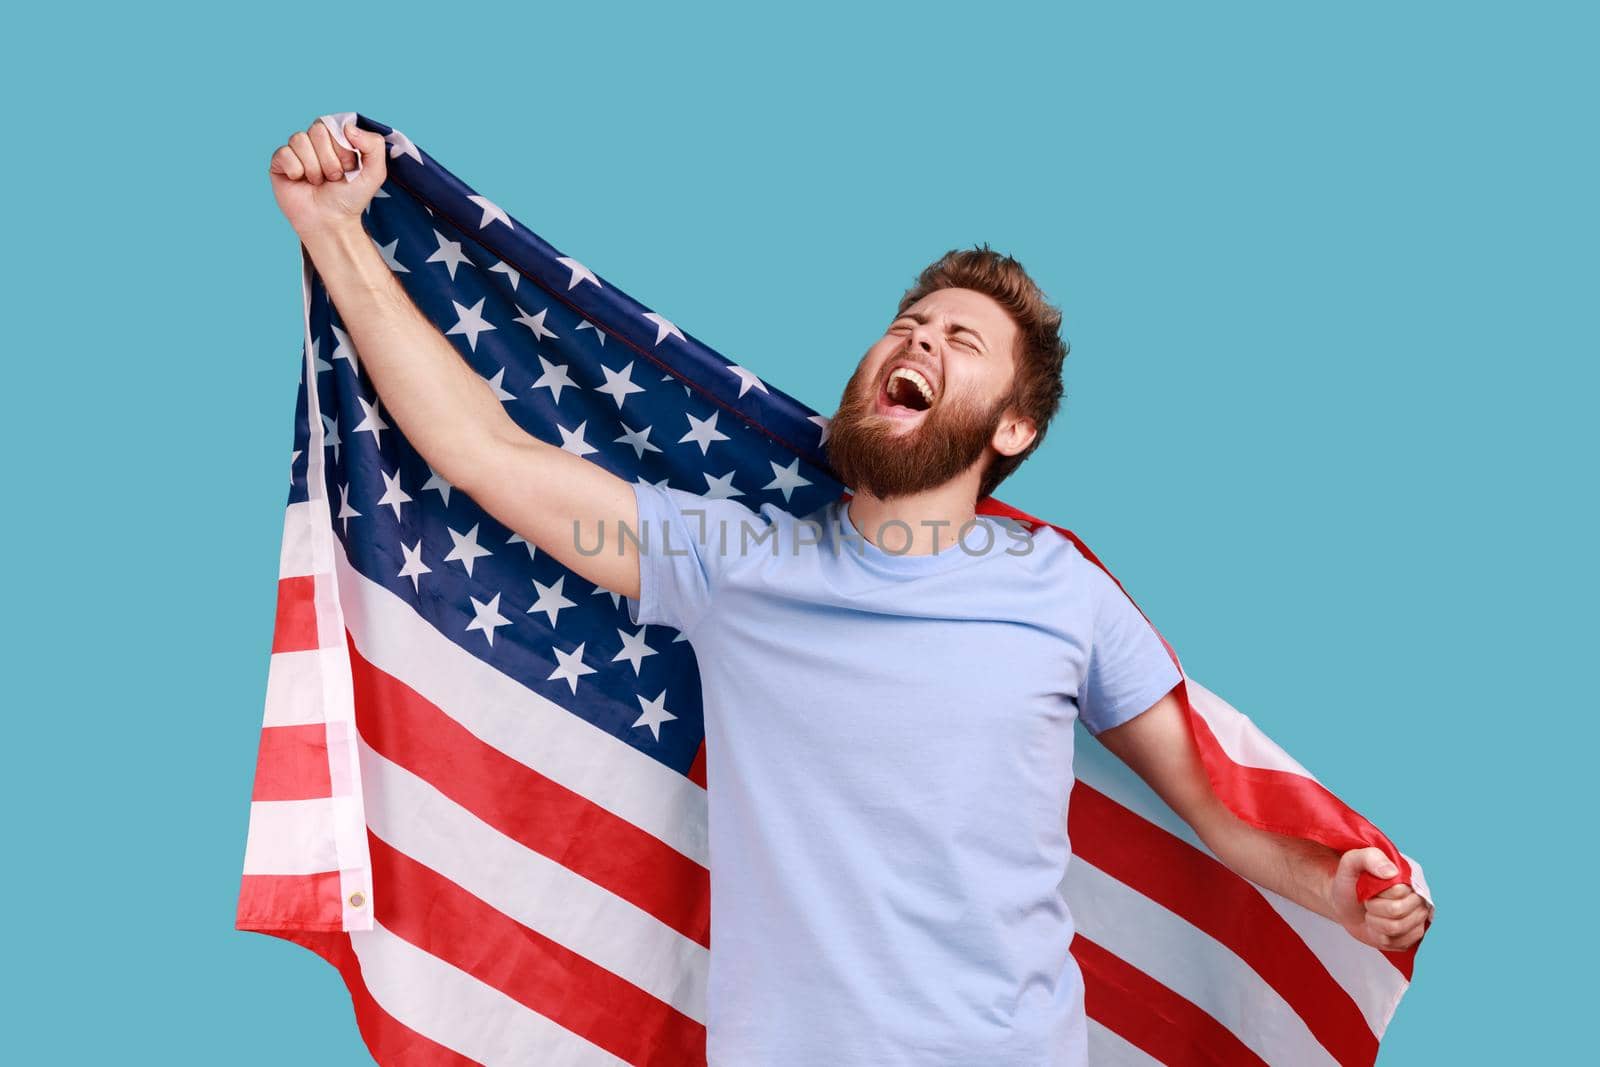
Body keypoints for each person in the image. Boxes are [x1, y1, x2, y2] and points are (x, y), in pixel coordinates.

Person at [269, 117, 1432, 1066]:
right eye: (906, 323)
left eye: (959, 340)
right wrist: (337, 235)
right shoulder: (735, 565)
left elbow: (1215, 810)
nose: (914, 340)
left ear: (1012, 426)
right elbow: (487, 456)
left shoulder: (1061, 591)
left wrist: (1329, 884)